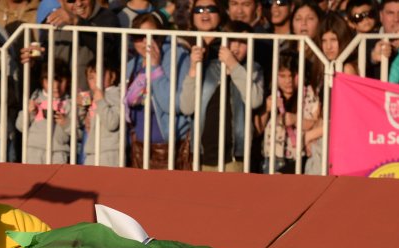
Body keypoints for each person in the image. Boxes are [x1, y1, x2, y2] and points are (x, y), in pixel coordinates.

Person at [180, 20, 265, 172]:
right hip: (203, 154)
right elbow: (187, 107)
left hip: (235, 155)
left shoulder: (253, 69)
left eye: (243, 42)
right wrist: (193, 68)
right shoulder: (207, 67)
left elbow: (255, 100)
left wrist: (233, 65)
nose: (237, 47)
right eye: (232, 41)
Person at [124, 11, 192, 170]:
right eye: (138, 37)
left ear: (161, 35)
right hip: (139, 147)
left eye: (151, 36)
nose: (144, 43)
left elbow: (173, 104)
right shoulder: (132, 65)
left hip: (169, 147)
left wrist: (155, 68)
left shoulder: (177, 56)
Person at [258, 51, 319, 174]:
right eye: (282, 76)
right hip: (271, 159)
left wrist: (296, 119)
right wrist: (266, 110)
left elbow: (316, 124)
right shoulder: (270, 94)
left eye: (292, 75)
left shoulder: (310, 94)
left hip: (297, 159)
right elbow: (258, 128)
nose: (288, 80)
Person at [17, 57, 72, 163]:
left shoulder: (69, 103)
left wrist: (66, 123)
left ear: (68, 81)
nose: (56, 86)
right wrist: (29, 113)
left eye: (60, 81)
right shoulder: (35, 98)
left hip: (59, 153)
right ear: (42, 81)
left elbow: (78, 133)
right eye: (50, 81)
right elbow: (19, 126)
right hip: (33, 151)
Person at [81, 58, 123, 166]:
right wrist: (81, 107)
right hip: (92, 152)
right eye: (91, 78)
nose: (95, 81)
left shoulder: (114, 94)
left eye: (99, 75)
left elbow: (112, 123)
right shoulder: (93, 96)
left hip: (108, 153)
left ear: (112, 77)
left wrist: (100, 101)